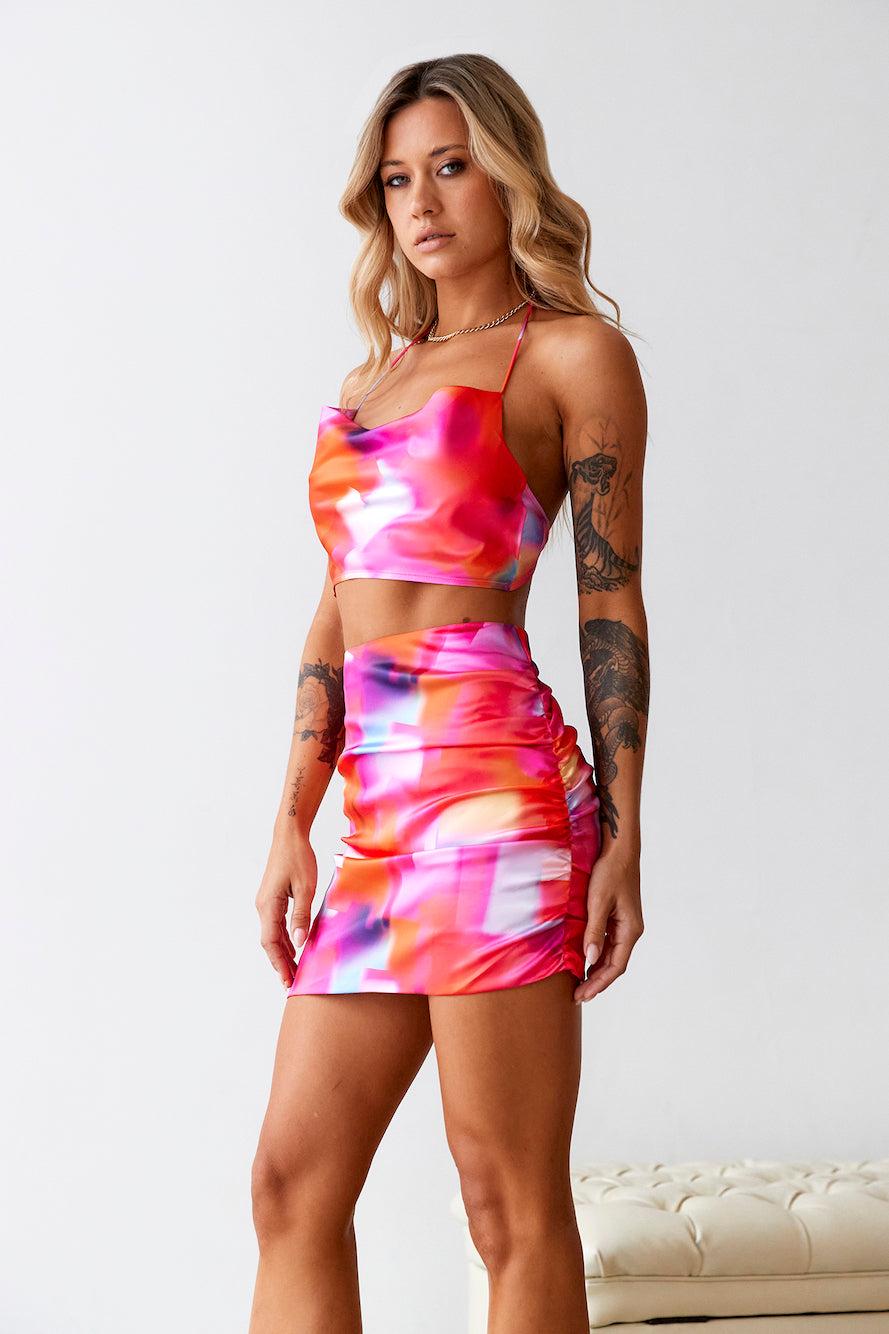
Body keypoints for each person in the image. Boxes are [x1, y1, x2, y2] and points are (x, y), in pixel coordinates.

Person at [249, 53, 649, 1334]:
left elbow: (608, 603)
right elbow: (337, 604)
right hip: (375, 817)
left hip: (496, 796)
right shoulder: (368, 385)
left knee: (503, 1199)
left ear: (508, 174)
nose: (420, 202)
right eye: (395, 178)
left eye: (451, 166)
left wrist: (624, 835)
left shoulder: (573, 355)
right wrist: (290, 815)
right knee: (291, 1184)